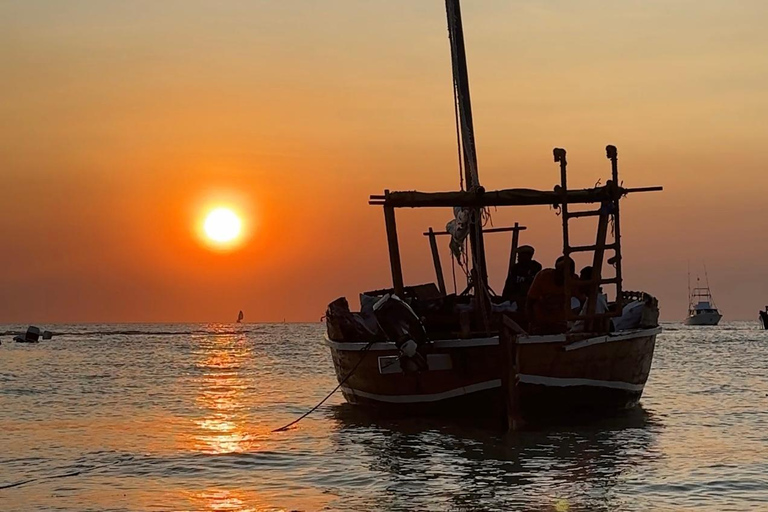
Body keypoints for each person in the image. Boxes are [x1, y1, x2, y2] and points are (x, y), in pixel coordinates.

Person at [525, 255, 584, 334]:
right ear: (556, 270)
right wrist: (532, 323)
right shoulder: (543, 277)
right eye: (561, 272)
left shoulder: (573, 280)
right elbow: (529, 302)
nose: (564, 276)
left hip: (561, 324)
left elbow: (583, 301)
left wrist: (577, 321)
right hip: (540, 323)